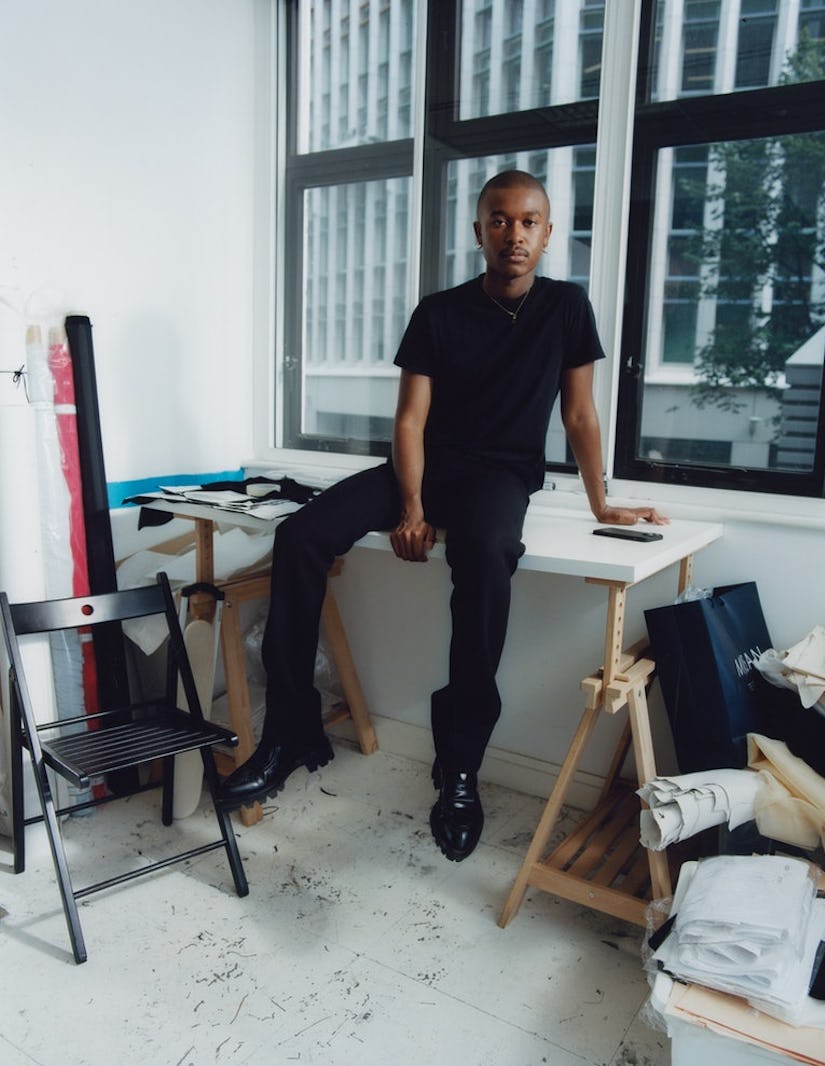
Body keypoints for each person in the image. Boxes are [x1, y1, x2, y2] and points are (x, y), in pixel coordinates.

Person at [219, 169, 667, 861]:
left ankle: (458, 766)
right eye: (499, 219)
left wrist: (600, 501)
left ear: (547, 234)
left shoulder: (567, 308)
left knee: (485, 556)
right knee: (300, 534)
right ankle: (289, 733)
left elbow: (579, 413)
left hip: (500, 476)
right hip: (424, 464)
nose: (512, 234)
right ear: (479, 228)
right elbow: (410, 418)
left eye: (527, 222)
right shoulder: (439, 311)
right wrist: (412, 506)